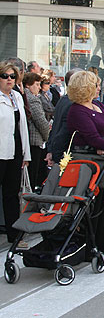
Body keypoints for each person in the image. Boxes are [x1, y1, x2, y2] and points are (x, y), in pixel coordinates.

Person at [66, 70, 104, 259]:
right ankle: (89, 247)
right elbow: (92, 138)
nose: (99, 88)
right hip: (88, 164)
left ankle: (103, 247)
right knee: (92, 205)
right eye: (96, 85)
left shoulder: (98, 105)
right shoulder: (76, 110)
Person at [0, 62, 31, 246]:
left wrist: (26, 154)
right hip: (1, 150)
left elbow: (23, 128)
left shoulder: (17, 97)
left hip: (15, 151)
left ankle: (14, 235)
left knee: (12, 194)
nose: (9, 79)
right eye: (5, 76)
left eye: (12, 76)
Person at [23, 72, 50, 190]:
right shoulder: (32, 99)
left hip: (32, 140)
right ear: (28, 85)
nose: (39, 87)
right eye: (37, 84)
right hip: (34, 140)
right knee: (32, 175)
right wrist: (48, 137)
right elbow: (41, 122)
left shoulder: (26, 97)